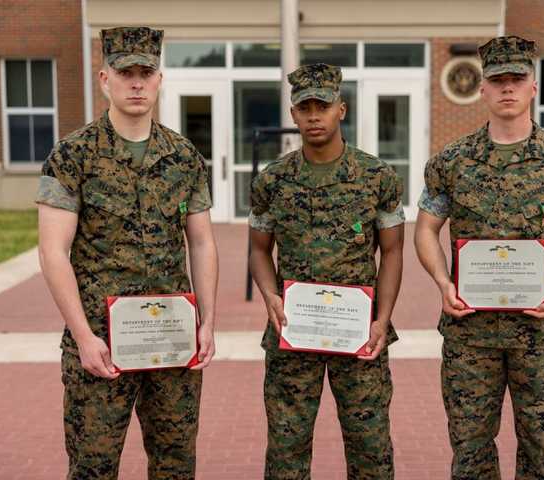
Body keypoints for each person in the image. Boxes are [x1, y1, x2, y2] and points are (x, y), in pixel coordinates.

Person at [414, 36, 544, 480]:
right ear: (482, 89)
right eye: (497, 79)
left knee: (541, 449)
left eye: (517, 78)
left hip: (540, 330)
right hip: (470, 332)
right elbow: (425, 229)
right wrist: (444, 284)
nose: (507, 88)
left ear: (533, 87)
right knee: (470, 449)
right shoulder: (451, 162)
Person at [36, 26, 218, 479]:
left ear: (159, 80)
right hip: (101, 343)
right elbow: (53, 251)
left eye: (146, 72)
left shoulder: (183, 156)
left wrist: (208, 322)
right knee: (93, 467)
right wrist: (82, 336)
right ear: (104, 79)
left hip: (171, 341)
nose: (136, 83)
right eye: (125, 73)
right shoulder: (72, 156)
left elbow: (201, 241)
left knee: (175, 465)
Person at [249, 63, 405, 479]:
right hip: (293, 333)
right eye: (305, 107)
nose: (314, 115)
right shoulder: (273, 181)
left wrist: (383, 319)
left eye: (323, 105)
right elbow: (259, 249)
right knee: (286, 446)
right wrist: (269, 296)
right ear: (293, 114)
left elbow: (392, 253)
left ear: (342, 109)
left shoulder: (377, 178)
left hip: (359, 334)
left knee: (369, 444)